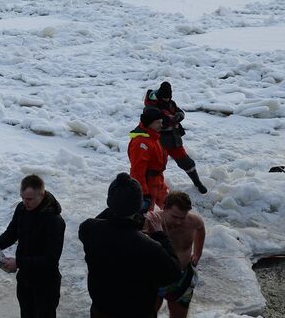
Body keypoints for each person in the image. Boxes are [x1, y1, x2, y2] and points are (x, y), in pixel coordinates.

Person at [79, 173, 181, 318]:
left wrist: (120, 210)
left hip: (101, 310)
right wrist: (159, 234)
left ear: (110, 202)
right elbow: (174, 273)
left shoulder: (88, 229)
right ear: (138, 205)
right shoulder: (150, 247)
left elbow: (104, 221)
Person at [0, 175, 65, 318]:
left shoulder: (54, 221)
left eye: (29, 199)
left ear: (41, 194)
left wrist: (18, 263)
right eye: (22, 198)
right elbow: (12, 232)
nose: (25, 202)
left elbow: (50, 259)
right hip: (25, 279)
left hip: (45, 284)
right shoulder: (22, 208)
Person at [144, 81, 207, 194]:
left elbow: (178, 111)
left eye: (168, 98)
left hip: (174, 139)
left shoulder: (170, 103)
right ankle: (153, 189)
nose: (167, 100)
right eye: (165, 98)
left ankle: (197, 183)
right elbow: (160, 120)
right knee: (156, 166)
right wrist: (171, 119)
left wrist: (179, 115)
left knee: (186, 162)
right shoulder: (151, 107)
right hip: (159, 141)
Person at [154, 191, 205, 318]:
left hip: (181, 278)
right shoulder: (153, 220)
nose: (178, 222)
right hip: (155, 279)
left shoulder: (193, 221)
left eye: (182, 217)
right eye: (174, 217)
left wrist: (197, 254)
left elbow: (201, 228)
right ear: (165, 209)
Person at [128, 106, 169, 210]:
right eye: (158, 122)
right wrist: (143, 193)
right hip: (147, 184)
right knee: (146, 215)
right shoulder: (141, 142)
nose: (161, 125)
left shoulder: (153, 136)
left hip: (158, 181)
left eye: (161, 122)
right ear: (148, 123)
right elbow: (137, 171)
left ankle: (173, 225)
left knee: (170, 206)